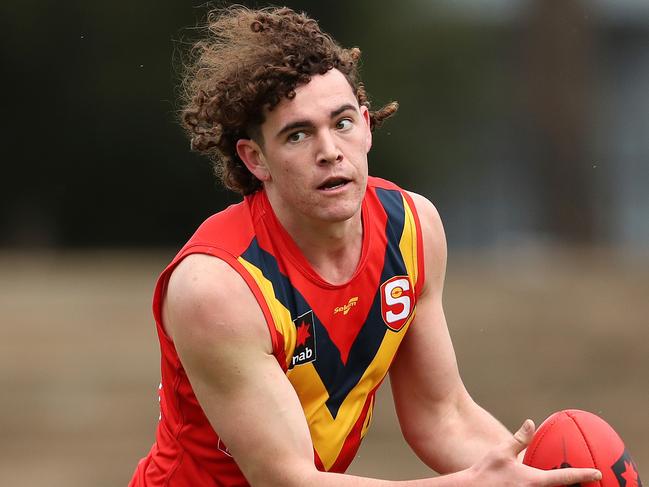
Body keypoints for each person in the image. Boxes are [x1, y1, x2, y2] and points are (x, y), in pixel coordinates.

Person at [129, 6, 602, 486]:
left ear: (368, 125)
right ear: (256, 160)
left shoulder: (411, 228)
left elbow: (442, 416)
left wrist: (538, 478)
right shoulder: (217, 287)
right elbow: (285, 480)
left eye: (342, 122)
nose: (330, 150)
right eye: (298, 134)